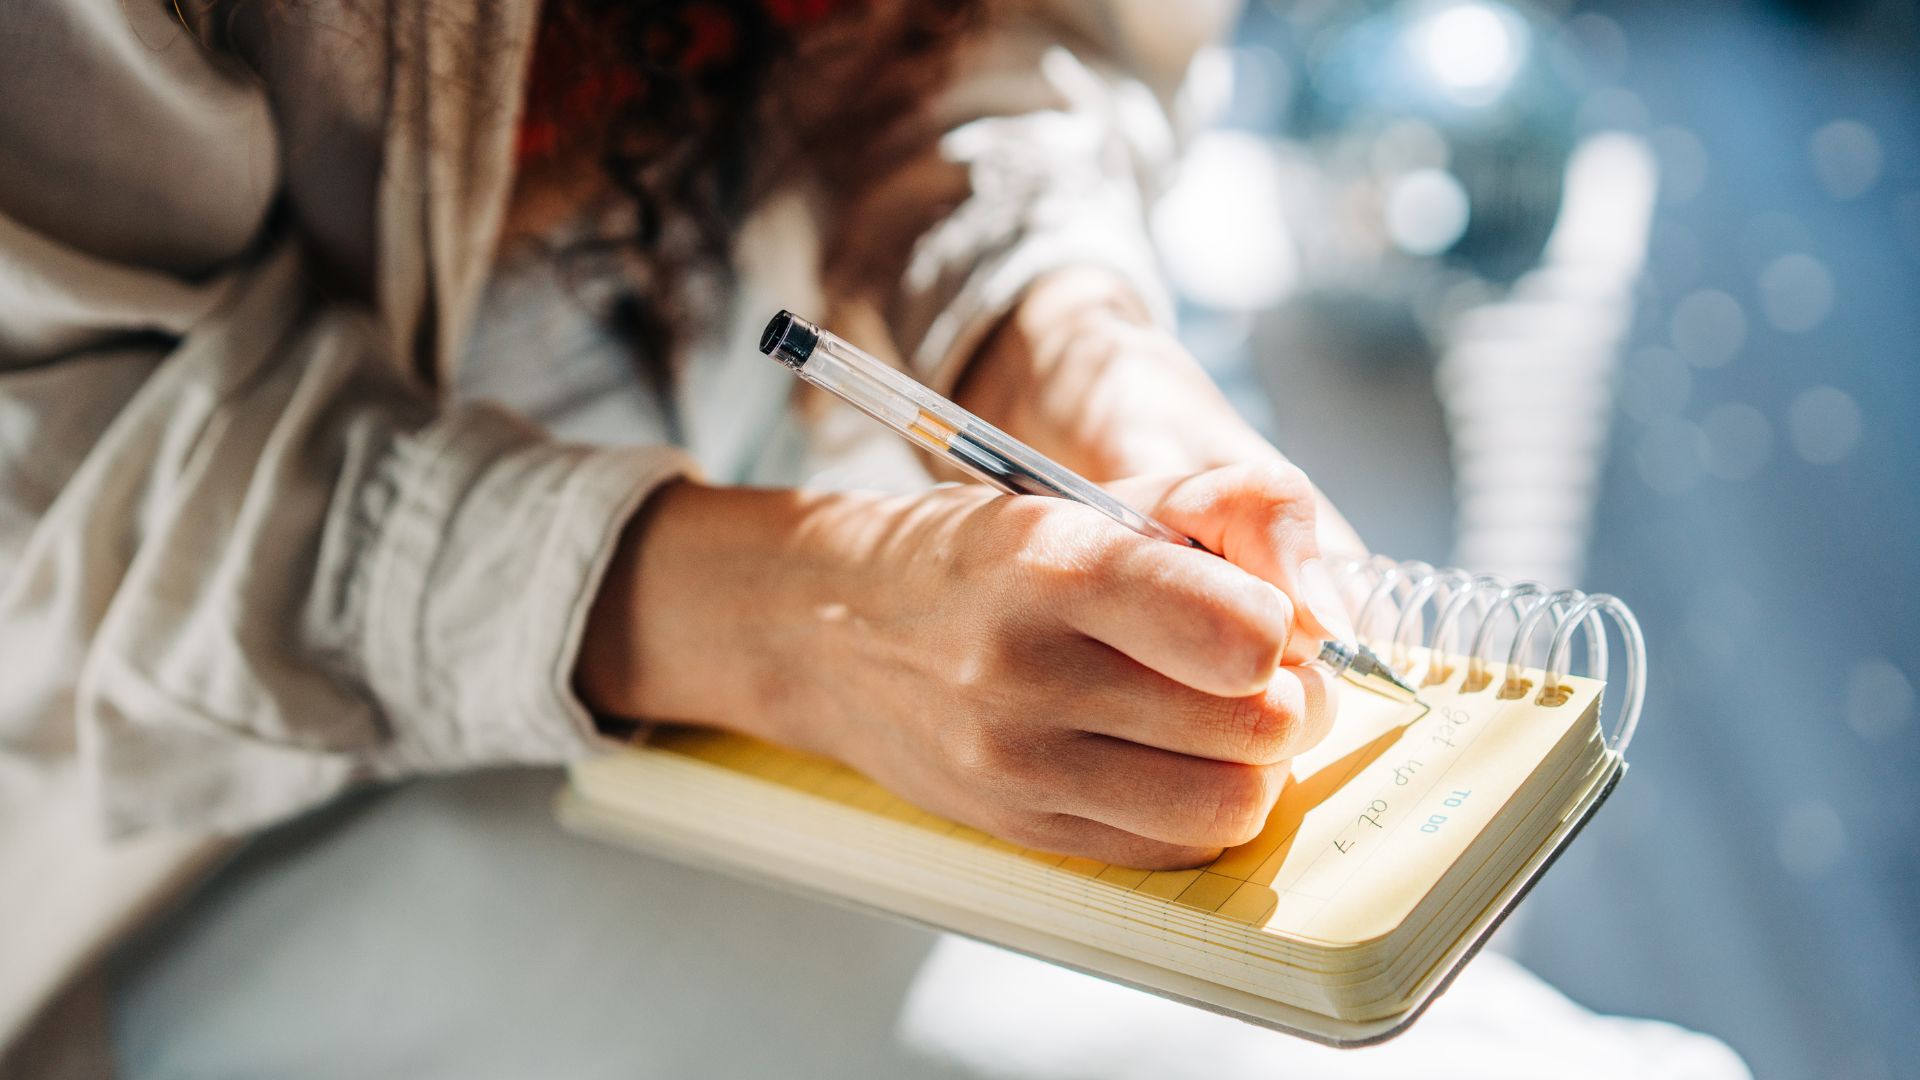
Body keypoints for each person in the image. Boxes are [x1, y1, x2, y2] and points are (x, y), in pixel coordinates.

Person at [0, 0, 1380, 1072]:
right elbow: (58, 474)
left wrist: (1049, 333)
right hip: (197, 801)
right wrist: (789, 624)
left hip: (809, 566)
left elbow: (1015, 40)